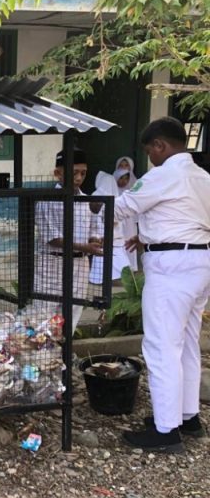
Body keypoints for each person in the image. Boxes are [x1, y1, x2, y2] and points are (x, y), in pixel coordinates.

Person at [116, 117, 210, 452]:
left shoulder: (163, 174)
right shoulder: (202, 177)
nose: (149, 159)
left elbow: (124, 205)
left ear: (160, 146)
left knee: (161, 346)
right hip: (199, 262)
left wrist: (87, 221)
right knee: (186, 342)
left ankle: (165, 431)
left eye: (149, 152)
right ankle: (188, 417)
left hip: (171, 268)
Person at [33, 148, 103, 332]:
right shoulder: (47, 201)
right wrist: (86, 246)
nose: (79, 178)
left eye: (83, 173)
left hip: (79, 264)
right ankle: (45, 354)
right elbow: (52, 238)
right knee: (46, 309)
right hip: (52, 262)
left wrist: (95, 240)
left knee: (73, 308)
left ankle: (65, 351)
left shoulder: (87, 200)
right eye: (74, 173)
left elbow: (94, 227)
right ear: (58, 173)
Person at [89, 165, 138, 284]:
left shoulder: (99, 196)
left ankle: (104, 278)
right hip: (109, 235)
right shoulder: (104, 197)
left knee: (110, 256)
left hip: (106, 236)